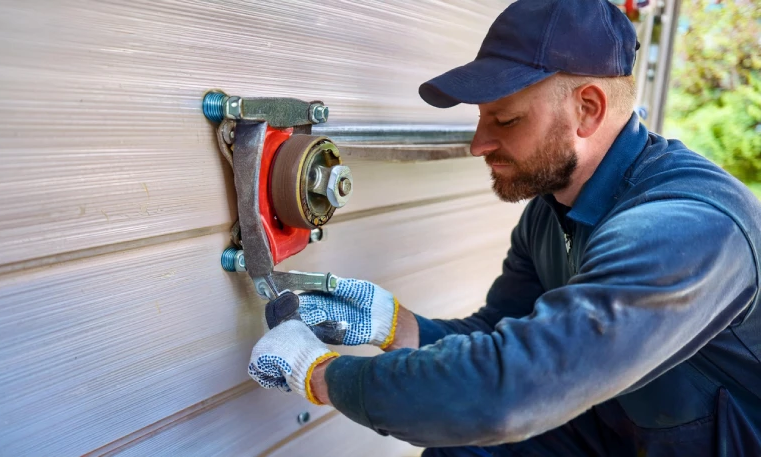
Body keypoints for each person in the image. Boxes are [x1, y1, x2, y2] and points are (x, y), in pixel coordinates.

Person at [247, 0, 761, 455]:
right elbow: (501, 332)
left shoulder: (685, 227)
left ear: (588, 109)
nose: (478, 144)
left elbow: (509, 391)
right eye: (481, 118)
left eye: (506, 120)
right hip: (621, 430)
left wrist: (319, 374)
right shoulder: (552, 210)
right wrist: (396, 326)